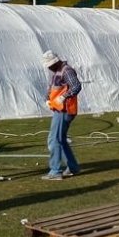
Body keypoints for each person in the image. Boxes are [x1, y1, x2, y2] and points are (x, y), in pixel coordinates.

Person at [41, 50, 81, 180]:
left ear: (55, 62)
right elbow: (52, 88)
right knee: (61, 140)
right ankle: (73, 167)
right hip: (59, 109)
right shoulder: (56, 72)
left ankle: (55, 171)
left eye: (49, 65)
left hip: (64, 110)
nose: (49, 67)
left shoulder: (66, 70)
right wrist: (48, 98)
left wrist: (64, 97)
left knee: (54, 140)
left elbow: (76, 86)